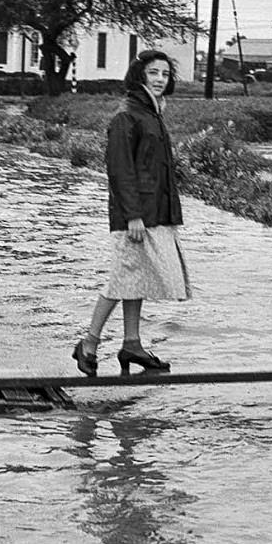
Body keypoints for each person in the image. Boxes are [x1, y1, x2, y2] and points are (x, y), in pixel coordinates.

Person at [72, 49, 191, 377]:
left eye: (165, 75)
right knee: (122, 279)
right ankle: (89, 344)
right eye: (153, 73)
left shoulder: (152, 112)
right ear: (140, 75)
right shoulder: (128, 114)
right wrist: (134, 215)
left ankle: (131, 344)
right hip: (135, 215)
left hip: (154, 211)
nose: (159, 80)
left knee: (135, 278)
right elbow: (120, 170)